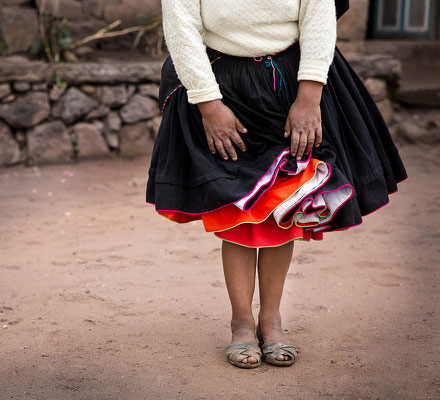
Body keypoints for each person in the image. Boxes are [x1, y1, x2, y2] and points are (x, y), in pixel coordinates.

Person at [145, 0, 408, 368]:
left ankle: (271, 322)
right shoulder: (212, 99)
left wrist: (310, 95)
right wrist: (208, 104)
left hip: (291, 86)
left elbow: (318, 16)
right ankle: (240, 323)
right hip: (223, 90)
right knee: (240, 212)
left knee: (283, 210)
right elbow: (181, 28)